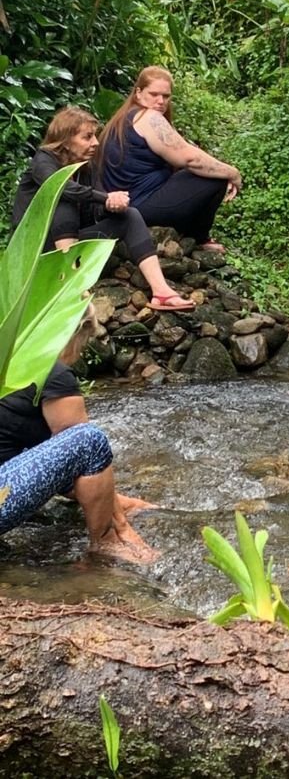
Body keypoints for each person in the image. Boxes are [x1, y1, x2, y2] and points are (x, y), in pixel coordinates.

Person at [0, 306, 159, 563]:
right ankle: (107, 544)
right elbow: (82, 457)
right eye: (84, 343)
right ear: (74, 334)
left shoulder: (10, 362)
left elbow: (45, 464)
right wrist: (123, 527)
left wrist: (120, 501)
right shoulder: (51, 372)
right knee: (89, 440)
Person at [12, 106, 194, 312]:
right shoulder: (43, 160)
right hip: (35, 250)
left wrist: (114, 205)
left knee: (130, 215)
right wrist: (105, 198)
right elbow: (61, 187)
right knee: (64, 198)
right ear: (66, 139)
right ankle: (69, 289)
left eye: (95, 136)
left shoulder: (86, 167)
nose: (95, 143)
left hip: (72, 244)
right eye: (87, 137)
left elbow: (97, 206)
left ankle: (161, 292)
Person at [97, 66, 242, 252]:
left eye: (166, 96)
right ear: (138, 93)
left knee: (202, 172)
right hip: (138, 206)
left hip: (128, 203)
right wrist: (233, 173)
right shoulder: (148, 118)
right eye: (154, 94)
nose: (160, 101)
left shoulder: (125, 117)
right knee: (215, 178)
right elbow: (190, 159)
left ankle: (188, 236)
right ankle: (199, 237)